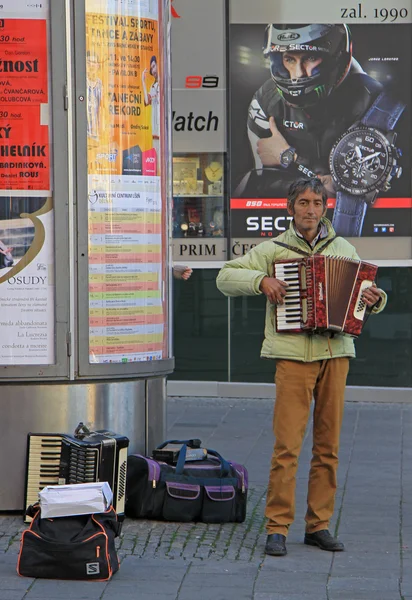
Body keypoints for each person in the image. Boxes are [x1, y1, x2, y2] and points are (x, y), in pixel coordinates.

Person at [216, 177, 386, 556]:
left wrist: (375, 298)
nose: (310, 209)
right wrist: (261, 280)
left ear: (325, 208)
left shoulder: (343, 247)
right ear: (290, 207)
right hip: (293, 357)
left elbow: (362, 295)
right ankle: (277, 527)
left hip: (336, 354)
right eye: (303, 202)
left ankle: (318, 525)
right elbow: (225, 276)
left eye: (317, 203)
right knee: (287, 446)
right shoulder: (272, 249)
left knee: (329, 447)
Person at [235, 23, 390, 198]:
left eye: (310, 58)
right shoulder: (266, 101)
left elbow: (355, 188)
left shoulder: (374, 102)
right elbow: (260, 181)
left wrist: (288, 157)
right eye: (289, 59)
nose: (297, 74)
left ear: (336, 58)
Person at [142, 55, 160, 164]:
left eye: (154, 66)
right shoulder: (153, 87)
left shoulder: (164, 84)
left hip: (162, 129)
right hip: (155, 130)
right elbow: (146, 101)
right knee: (156, 158)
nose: (153, 70)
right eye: (151, 68)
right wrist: (143, 82)